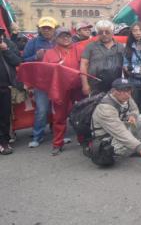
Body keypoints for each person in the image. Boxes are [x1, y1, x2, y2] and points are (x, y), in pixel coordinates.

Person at [91, 78, 141, 168]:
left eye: (129, 91)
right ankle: (133, 149)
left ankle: (135, 149)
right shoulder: (105, 108)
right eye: (124, 91)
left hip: (121, 126)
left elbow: (134, 109)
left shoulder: (126, 96)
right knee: (124, 138)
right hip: (107, 138)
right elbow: (120, 132)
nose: (128, 94)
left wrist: (133, 116)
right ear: (114, 91)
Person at [41, 27, 82, 155]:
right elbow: (45, 74)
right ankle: (57, 144)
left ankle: (84, 140)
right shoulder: (49, 53)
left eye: (68, 36)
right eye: (62, 36)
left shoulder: (79, 49)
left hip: (78, 88)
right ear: (56, 38)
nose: (65, 38)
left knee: (81, 115)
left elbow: (86, 66)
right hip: (60, 90)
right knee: (59, 118)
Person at [23, 17, 57, 148]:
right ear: (40, 29)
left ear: (54, 29)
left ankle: (59, 134)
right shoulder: (33, 42)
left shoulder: (59, 41)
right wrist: (35, 57)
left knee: (58, 109)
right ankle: (38, 136)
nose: (47, 30)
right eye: (44, 28)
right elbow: (24, 60)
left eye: (49, 28)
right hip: (41, 82)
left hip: (57, 81)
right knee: (42, 110)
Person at [80, 20, 125, 96]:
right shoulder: (90, 46)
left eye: (107, 32)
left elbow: (125, 65)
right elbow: (83, 65)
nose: (104, 34)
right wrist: (85, 84)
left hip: (115, 86)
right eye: (101, 32)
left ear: (112, 32)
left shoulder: (121, 47)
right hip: (95, 86)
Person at [0, 28, 21, 155]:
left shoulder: (9, 44)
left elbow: (17, 61)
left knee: (4, 116)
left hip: (4, 87)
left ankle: (4, 142)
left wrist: (5, 50)